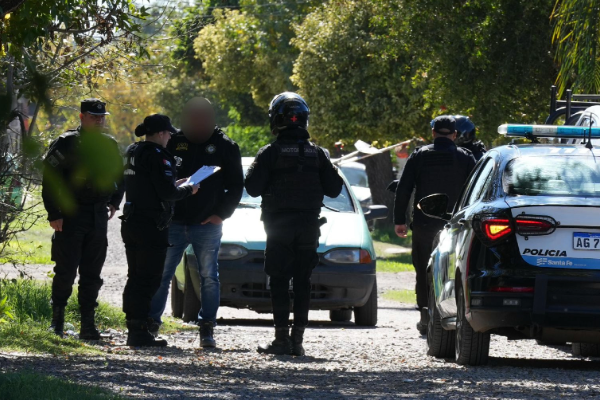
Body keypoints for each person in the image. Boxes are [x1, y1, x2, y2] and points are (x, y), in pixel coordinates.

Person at [245, 92, 343, 356]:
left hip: (279, 228)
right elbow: (335, 190)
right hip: (308, 227)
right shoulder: (318, 154)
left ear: (275, 120)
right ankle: (297, 341)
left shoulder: (269, 153)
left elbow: (252, 188)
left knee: (278, 281)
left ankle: (281, 340)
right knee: (302, 282)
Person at [148, 97, 243, 348]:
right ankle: (151, 325)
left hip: (207, 224)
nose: (198, 122)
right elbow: (159, 178)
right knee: (162, 274)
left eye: (203, 117)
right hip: (174, 222)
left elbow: (236, 186)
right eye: (194, 117)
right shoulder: (174, 141)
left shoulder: (225, 146)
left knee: (209, 276)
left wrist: (222, 214)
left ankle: (207, 327)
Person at [42, 98, 124, 340]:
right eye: (93, 117)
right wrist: (54, 213)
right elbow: (50, 178)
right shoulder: (67, 143)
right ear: (82, 117)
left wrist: (114, 201)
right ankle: (57, 322)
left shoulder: (109, 144)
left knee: (92, 273)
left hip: (98, 215)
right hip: (71, 214)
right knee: (66, 270)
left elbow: (119, 175)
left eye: (101, 117)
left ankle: (87, 325)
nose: (99, 121)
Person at [121, 114, 199, 347]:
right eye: (168, 134)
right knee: (149, 277)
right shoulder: (159, 156)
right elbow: (167, 194)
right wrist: (189, 189)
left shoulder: (133, 151)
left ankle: (133, 326)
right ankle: (140, 331)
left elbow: (148, 185)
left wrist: (174, 184)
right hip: (151, 225)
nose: (170, 138)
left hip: (132, 221)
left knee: (135, 276)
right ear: (161, 133)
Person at [393, 116, 476, 334]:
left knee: (424, 269)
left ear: (433, 133)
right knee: (456, 269)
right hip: (456, 226)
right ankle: (455, 314)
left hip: (425, 225)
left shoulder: (420, 156)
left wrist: (399, 220)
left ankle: (426, 315)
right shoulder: (466, 157)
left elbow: (404, 189)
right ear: (455, 135)